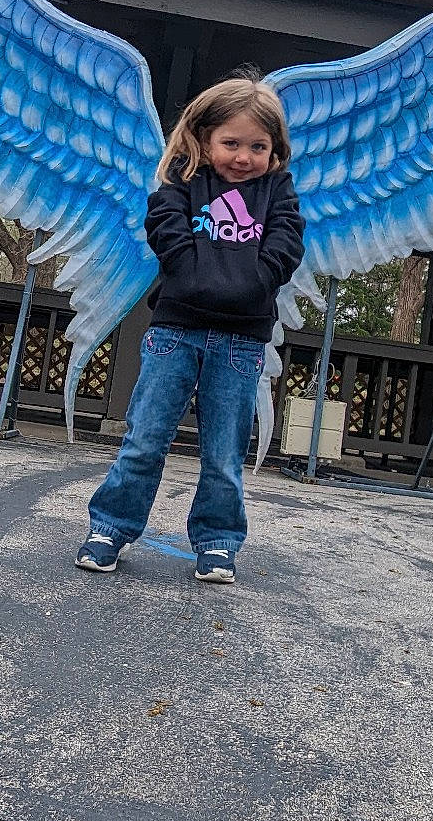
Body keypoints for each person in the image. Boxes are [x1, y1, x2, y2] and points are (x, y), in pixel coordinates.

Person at [76, 75, 305, 584]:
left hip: (243, 340)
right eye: (231, 143)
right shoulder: (183, 181)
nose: (243, 157)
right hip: (176, 330)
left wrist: (254, 280)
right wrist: (195, 274)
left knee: (224, 451)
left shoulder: (278, 191)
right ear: (204, 138)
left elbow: (287, 243)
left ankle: (218, 540)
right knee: (145, 437)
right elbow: (165, 227)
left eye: (258, 146)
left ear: (274, 149)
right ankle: (110, 526)